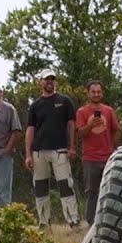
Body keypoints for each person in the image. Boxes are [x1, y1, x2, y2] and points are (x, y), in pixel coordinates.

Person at [24, 67, 79, 228]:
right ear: (41, 81)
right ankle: (43, 221)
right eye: (46, 79)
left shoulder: (64, 101)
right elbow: (30, 129)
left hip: (60, 150)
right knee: (40, 187)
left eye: (52, 79)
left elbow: (71, 124)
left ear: (55, 81)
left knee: (65, 185)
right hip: (39, 152)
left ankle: (72, 220)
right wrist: (28, 154)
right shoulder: (35, 105)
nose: (49, 82)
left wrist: (72, 147)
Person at [74, 80, 120, 225]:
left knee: (110, 191)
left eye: (98, 91)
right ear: (88, 93)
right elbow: (79, 133)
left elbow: (116, 130)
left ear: (102, 93)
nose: (96, 94)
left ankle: (109, 221)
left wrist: (115, 150)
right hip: (90, 158)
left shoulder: (109, 110)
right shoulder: (82, 112)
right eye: (93, 92)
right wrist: (90, 125)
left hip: (108, 157)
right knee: (91, 192)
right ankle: (91, 222)